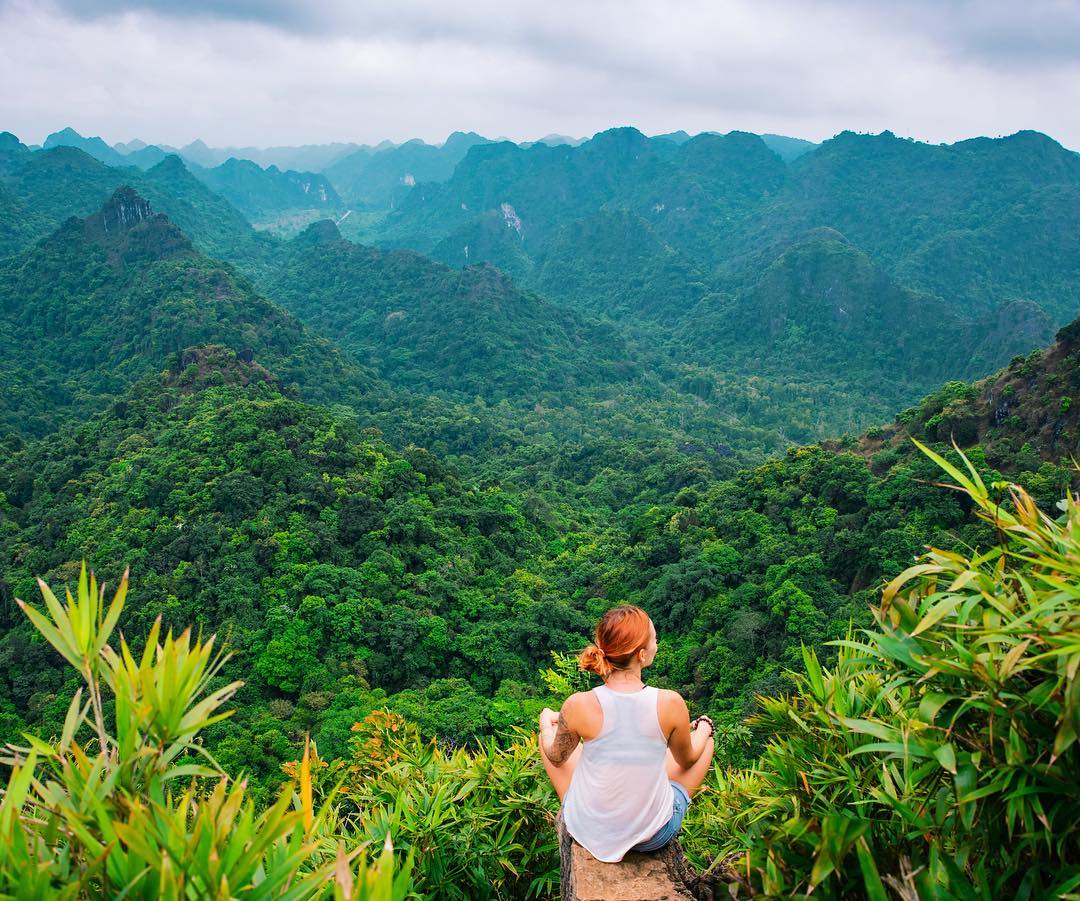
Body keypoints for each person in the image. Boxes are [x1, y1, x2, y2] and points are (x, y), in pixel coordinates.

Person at [538, 605, 715, 863]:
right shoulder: (669, 703)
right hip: (652, 836)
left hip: (589, 831)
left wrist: (545, 724)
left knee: (553, 733)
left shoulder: (578, 705)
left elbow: (555, 758)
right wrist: (705, 727)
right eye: (654, 639)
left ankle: (582, 810)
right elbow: (687, 760)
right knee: (705, 743)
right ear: (641, 655)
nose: (657, 644)